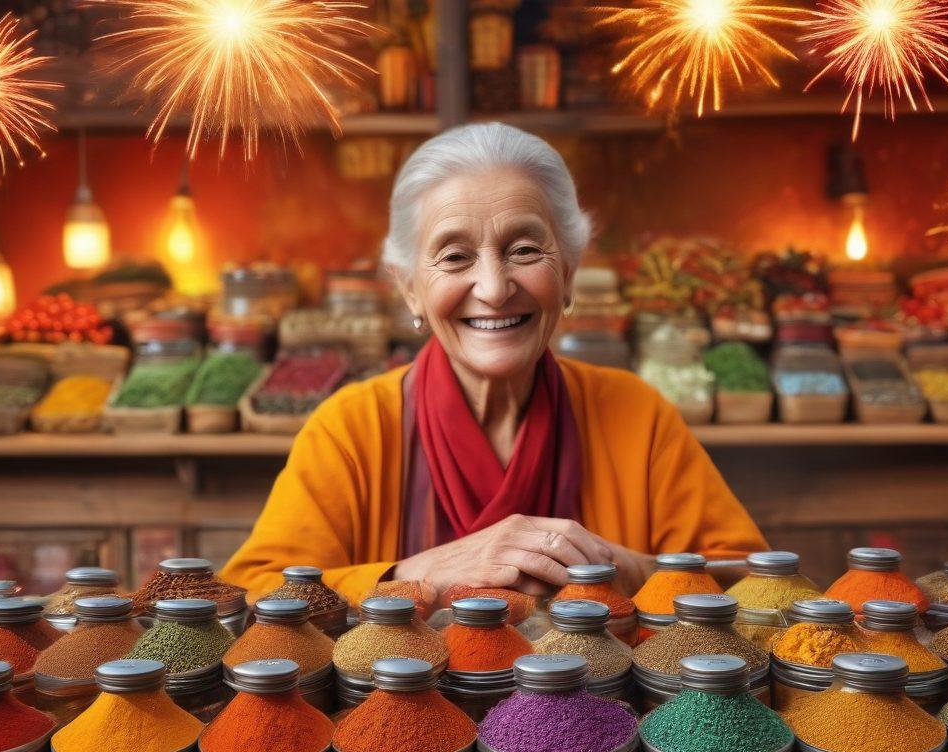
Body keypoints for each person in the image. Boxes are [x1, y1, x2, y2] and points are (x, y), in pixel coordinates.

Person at [223, 123, 766, 607]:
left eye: (525, 249)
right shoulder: (352, 429)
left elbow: (754, 581)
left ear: (570, 272)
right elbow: (251, 597)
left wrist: (634, 570)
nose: (494, 288)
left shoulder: (635, 415)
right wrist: (419, 578)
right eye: (455, 257)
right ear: (411, 289)